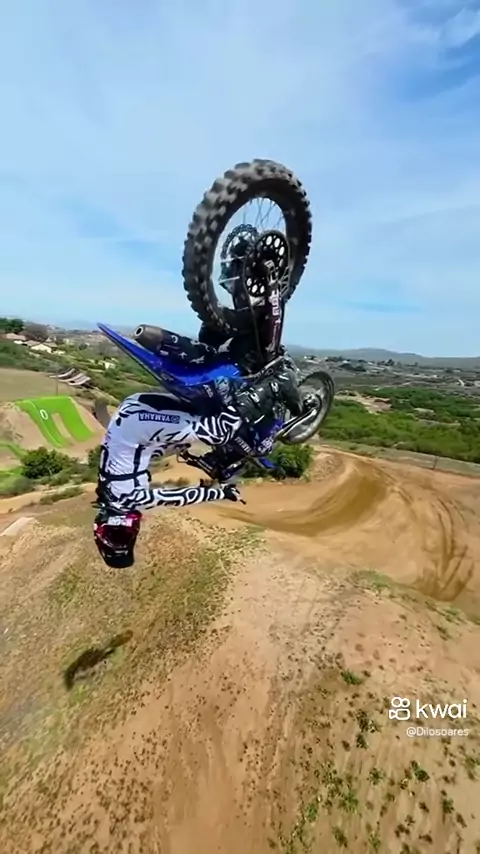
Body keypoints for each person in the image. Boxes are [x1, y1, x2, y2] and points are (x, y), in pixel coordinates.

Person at [93, 355, 304, 569]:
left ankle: (275, 385)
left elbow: (176, 497)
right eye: (126, 535)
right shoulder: (106, 492)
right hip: (132, 415)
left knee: (218, 432)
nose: (122, 529)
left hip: (139, 423)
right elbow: (133, 453)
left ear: (99, 529)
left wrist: (221, 493)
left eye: (113, 534)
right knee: (191, 436)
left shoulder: (125, 499)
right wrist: (177, 450)